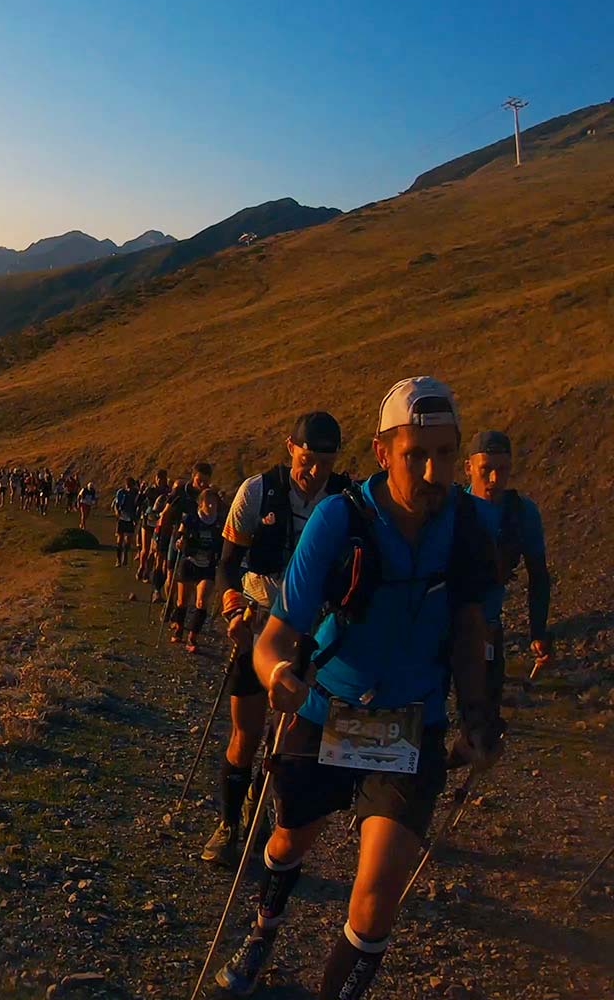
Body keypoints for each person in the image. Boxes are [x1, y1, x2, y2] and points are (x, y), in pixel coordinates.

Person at [214, 377, 501, 999]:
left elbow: (473, 629)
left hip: (411, 724)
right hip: (326, 709)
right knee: (289, 838)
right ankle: (265, 925)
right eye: (415, 454)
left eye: (446, 453)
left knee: (375, 901)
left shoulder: (468, 525)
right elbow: (276, 637)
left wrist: (478, 716)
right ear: (381, 450)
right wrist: (278, 674)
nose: (433, 470)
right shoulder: (338, 520)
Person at [203, 411, 349, 866]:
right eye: (307, 460)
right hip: (259, 620)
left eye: (325, 463)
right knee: (245, 733)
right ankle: (229, 823)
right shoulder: (257, 491)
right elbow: (227, 562)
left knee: (288, 736)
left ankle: (271, 817)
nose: (314, 472)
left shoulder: (346, 500)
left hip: (312, 634)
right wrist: (231, 609)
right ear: (291, 448)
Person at [461, 430, 552, 691]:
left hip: (489, 625)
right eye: (486, 469)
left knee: (485, 709)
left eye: (502, 470)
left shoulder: (522, 513)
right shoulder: (452, 510)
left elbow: (538, 575)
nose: (494, 479)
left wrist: (538, 631)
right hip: (447, 623)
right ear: (469, 467)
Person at [170, 486, 225, 654]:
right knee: (182, 602)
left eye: (213, 503)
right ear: (200, 504)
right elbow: (180, 534)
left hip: (208, 565)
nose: (211, 506)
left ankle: (193, 637)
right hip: (189, 562)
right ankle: (179, 628)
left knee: (201, 602)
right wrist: (180, 541)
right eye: (207, 503)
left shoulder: (219, 523)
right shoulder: (191, 519)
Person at [111, 478, 140, 566]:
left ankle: (125, 554)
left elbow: (138, 505)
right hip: (122, 518)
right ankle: (118, 560)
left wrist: (136, 518)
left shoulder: (136, 494)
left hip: (130, 518)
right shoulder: (121, 492)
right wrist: (117, 512)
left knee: (128, 541)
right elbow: (116, 504)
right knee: (119, 540)